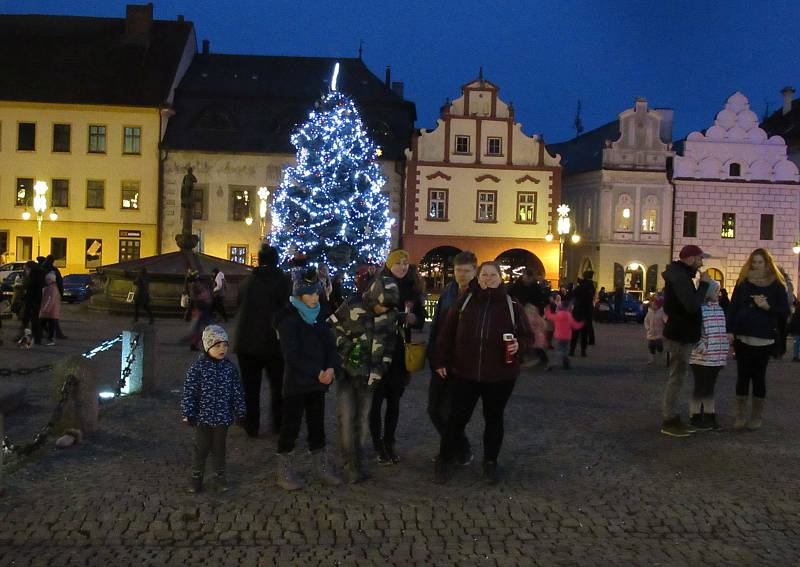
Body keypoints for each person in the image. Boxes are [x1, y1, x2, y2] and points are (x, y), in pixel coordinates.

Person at [433, 261, 531, 485]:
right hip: (465, 373)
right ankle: (444, 459)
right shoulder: (465, 301)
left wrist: (519, 346)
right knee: (457, 419)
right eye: (484, 274)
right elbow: (447, 333)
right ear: (478, 277)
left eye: (492, 275)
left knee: (494, 420)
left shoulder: (511, 304)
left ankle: (490, 463)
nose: (488, 278)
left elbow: (527, 336)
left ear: (500, 278)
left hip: (500, 376)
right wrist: (441, 359)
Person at [273, 268, 342, 491]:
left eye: (316, 293)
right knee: (290, 427)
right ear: (299, 295)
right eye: (309, 294)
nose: (314, 298)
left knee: (317, 426)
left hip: (318, 383)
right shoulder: (289, 318)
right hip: (297, 383)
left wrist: (331, 367)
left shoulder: (320, 314)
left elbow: (331, 345)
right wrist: (317, 372)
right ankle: (284, 470)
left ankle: (320, 467)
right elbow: (291, 355)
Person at [330, 272, 400, 483]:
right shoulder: (352, 305)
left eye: (387, 307)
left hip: (370, 376)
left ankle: (357, 461)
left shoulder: (389, 315)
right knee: (347, 419)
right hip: (347, 373)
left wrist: (382, 367)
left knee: (362, 420)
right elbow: (332, 329)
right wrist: (349, 347)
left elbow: (389, 344)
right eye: (381, 305)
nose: (383, 310)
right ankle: (349, 464)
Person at [369, 250, 425, 466]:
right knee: (375, 401)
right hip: (378, 350)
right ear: (389, 265)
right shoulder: (377, 286)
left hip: (400, 353)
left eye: (405, 263)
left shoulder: (411, 289)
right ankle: (377, 444)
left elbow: (420, 317)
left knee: (394, 401)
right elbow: (367, 314)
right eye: (398, 263)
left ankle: (389, 441)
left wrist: (414, 319)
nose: (402, 266)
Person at [727, 248, 789, 430]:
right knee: (742, 376)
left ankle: (756, 416)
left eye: (760, 262)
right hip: (743, 335)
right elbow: (734, 306)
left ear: (767, 263)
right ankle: (740, 416)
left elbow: (784, 311)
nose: (756, 265)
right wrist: (729, 329)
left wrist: (767, 307)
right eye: (754, 262)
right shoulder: (744, 282)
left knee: (759, 377)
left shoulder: (777, 285)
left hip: (764, 338)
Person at [180, 325, 246, 493]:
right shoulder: (198, 369)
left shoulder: (230, 368)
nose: (222, 349)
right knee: (200, 448)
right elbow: (189, 392)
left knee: (219, 448)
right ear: (208, 346)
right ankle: (196, 476)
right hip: (203, 418)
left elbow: (237, 391)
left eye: (225, 345)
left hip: (222, 418)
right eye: (217, 346)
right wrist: (189, 413)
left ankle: (219, 475)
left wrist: (240, 412)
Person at [234, 245, 291, 438]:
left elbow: (238, 304)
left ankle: (252, 425)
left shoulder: (247, 282)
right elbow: (287, 309)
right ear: (276, 260)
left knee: (250, 386)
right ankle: (279, 423)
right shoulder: (283, 281)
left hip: (247, 341)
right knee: (277, 386)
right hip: (273, 342)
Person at [427, 250, 477, 466]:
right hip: (442, 361)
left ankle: (454, 451)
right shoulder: (449, 292)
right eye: (458, 271)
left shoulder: (479, 295)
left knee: (454, 412)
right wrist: (434, 357)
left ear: (475, 270)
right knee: (434, 409)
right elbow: (437, 326)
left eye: (467, 271)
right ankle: (459, 446)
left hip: (464, 364)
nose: (462, 275)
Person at [660, 244, 711, 437]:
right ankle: (669, 419)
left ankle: (672, 417)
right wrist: (704, 285)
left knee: (678, 377)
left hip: (682, 333)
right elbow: (690, 305)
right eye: (699, 259)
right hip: (680, 335)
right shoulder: (680, 277)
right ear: (690, 258)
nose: (701, 263)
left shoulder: (679, 275)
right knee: (677, 378)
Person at [688, 279, 728, 431]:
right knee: (700, 386)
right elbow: (694, 330)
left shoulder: (719, 309)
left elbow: (721, 331)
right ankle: (695, 416)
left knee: (710, 386)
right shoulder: (699, 309)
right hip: (701, 356)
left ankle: (710, 415)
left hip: (716, 356)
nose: (719, 294)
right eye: (717, 291)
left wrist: (724, 346)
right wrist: (700, 345)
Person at [545, 300, 584, 370]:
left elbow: (549, 316)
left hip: (558, 336)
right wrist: (581, 324)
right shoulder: (569, 316)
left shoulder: (557, 315)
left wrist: (547, 309)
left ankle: (554, 363)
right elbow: (574, 325)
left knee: (559, 350)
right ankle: (565, 362)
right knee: (565, 350)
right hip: (567, 336)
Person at [568, 271, 596, 357]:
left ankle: (572, 350)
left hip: (579, 311)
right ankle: (583, 351)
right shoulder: (592, 286)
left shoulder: (581, 287)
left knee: (575, 332)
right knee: (584, 333)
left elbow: (573, 294)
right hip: (587, 311)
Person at [19, 260, 43, 346]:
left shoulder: (33, 276)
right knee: (33, 319)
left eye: (26, 268)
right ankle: (36, 338)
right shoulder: (38, 274)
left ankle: (28, 338)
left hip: (32, 300)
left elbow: (29, 287)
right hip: (35, 300)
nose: (25, 270)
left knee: (29, 319)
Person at [42, 254, 67, 339]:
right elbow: (60, 282)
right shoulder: (53, 270)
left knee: (46, 314)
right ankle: (55, 333)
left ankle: (44, 332)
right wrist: (61, 293)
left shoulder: (43, 269)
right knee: (52, 314)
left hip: (44, 293)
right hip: (52, 293)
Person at [187, 277, 212, 351]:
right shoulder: (200, 291)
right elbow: (202, 302)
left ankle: (194, 344)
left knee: (198, 329)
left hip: (200, 312)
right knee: (202, 329)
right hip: (201, 312)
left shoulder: (198, 291)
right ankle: (195, 344)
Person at [38, 271, 61, 346]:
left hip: (50, 312)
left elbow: (50, 300)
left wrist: (45, 309)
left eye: (47, 279)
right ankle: (48, 339)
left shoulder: (52, 289)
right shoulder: (51, 288)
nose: (46, 281)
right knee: (48, 326)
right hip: (52, 312)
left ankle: (50, 339)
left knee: (47, 326)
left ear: (51, 280)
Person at [643, 294, 666, 364]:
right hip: (651, 333)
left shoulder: (662, 312)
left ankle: (661, 358)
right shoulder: (649, 312)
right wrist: (648, 328)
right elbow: (646, 321)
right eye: (652, 304)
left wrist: (666, 324)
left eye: (655, 304)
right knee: (651, 346)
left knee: (659, 346)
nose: (653, 306)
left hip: (659, 333)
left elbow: (665, 320)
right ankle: (653, 359)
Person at [789, 298, 800, 362]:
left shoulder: (796, 312)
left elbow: (793, 322)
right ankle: (796, 356)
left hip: (797, 331)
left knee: (797, 344)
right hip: (797, 330)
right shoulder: (796, 312)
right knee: (797, 343)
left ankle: (796, 356)